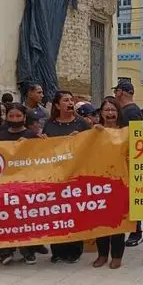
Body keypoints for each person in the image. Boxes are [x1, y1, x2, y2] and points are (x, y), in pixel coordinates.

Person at [43, 90, 92, 263]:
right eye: (65, 100)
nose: (70, 103)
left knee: (73, 213)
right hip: (55, 175)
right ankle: (57, 250)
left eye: (71, 100)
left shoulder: (82, 123)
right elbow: (45, 150)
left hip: (75, 174)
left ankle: (74, 250)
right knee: (57, 213)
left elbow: (92, 144)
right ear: (57, 105)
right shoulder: (49, 125)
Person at [0, 103, 40, 266]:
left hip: (26, 183)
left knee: (25, 218)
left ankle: (28, 251)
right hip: (4, 183)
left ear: (24, 117)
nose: (14, 119)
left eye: (18, 116)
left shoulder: (31, 136)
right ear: (6, 117)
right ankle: (5, 251)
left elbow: (40, 157)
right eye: (11, 116)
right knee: (4, 218)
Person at [92, 98, 128, 269]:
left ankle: (117, 255)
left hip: (121, 182)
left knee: (118, 220)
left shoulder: (126, 132)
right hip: (99, 183)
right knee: (101, 220)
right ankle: (102, 254)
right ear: (101, 113)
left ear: (118, 113)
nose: (110, 113)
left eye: (113, 110)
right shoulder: (94, 133)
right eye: (107, 110)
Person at [113, 81, 143, 246]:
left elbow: (136, 136)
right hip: (123, 158)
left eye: (116, 91)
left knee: (132, 197)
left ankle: (136, 231)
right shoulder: (126, 110)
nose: (115, 94)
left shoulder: (131, 111)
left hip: (129, 159)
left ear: (121, 92)